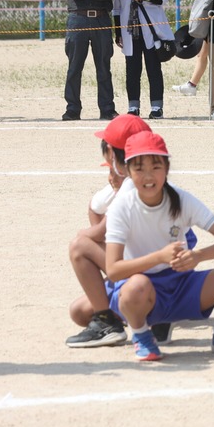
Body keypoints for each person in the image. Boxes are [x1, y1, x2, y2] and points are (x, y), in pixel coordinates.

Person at [104, 131, 214, 361]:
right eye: (139, 168)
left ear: (166, 168)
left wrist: (198, 256)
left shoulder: (181, 198)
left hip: (180, 285)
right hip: (142, 291)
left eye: (156, 167)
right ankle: (142, 335)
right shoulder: (122, 207)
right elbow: (113, 269)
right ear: (127, 171)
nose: (148, 176)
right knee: (135, 287)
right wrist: (159, 257)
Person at [66, 114, 151, 348]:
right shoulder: (156, 177)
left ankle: (106, 323)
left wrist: (84, 236)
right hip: (161, 272)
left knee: (79, 247)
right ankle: (150, 319)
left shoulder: (128, 188)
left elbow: (98, 234)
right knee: (79, 310)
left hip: (145, 277)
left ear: (113, 155)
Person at [113, 0, 174, 119]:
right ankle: (133, 106)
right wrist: (118, 32)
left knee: (153, 69)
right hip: (130, 33)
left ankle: (157, 107)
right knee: (132, 71)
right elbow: (117, 9)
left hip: (150, 32)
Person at [62, 0, 118, 121]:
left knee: (103, 65)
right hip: (78, 19)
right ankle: (72, 109)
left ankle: (107, 108)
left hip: (101, 18)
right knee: (74, 66)